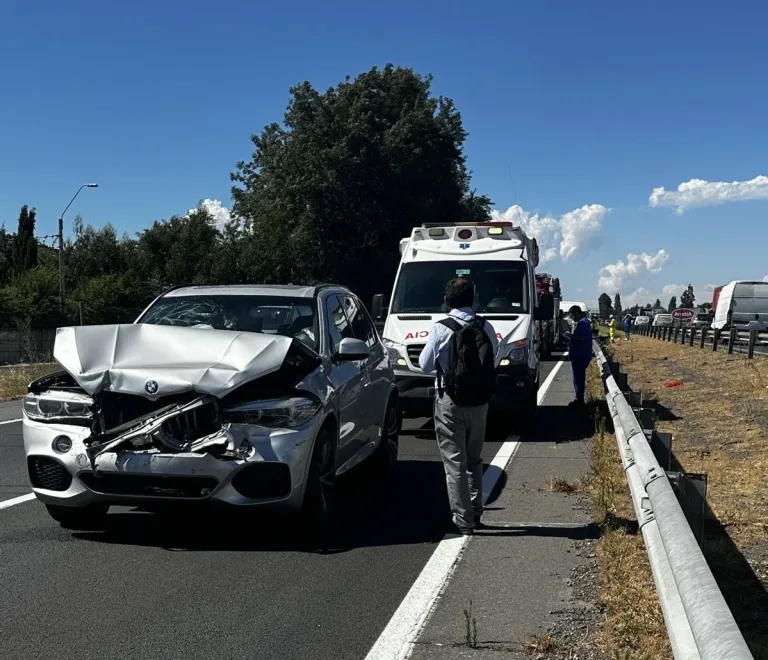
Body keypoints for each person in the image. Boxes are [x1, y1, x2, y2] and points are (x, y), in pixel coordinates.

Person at [419, 278, 500, 536]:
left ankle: (463, 520)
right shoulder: (485, 327)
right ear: (472, 300)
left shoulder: (441, 328)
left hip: (450, 401)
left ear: (447, 301)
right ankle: (476, 510)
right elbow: (494, 358)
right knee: (475, 459)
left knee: (455, 463)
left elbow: (424, 364)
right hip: (480, 402)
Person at [567, 304, 593, 407]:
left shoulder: (583, 323)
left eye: (573, 316)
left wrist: (570, 336)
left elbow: (581, 337)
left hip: (580, 355)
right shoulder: (585, 322)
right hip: (581, 354)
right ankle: (579, 398)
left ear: (577, 313)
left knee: (578, 378)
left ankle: (579, 399)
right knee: (579, 377)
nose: (573, 318)